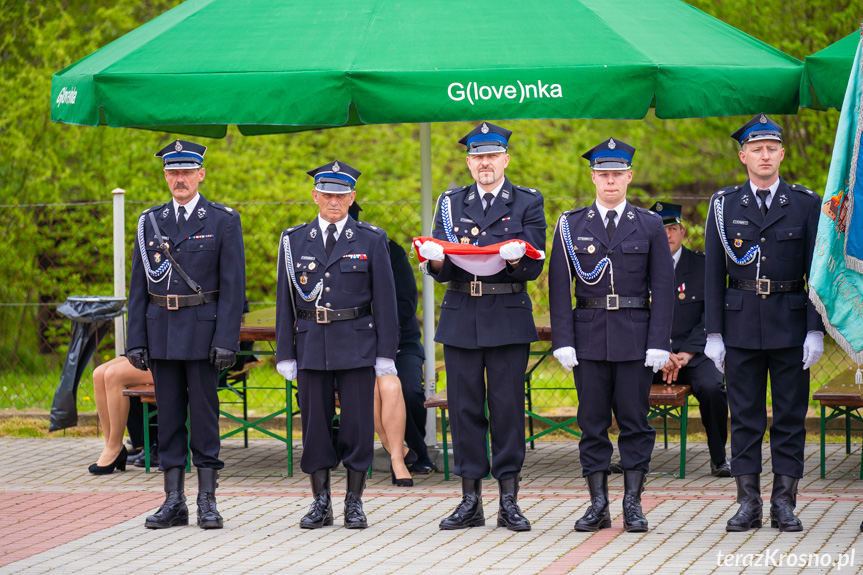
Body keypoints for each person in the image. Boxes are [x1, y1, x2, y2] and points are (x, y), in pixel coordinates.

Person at [418, 121, 546, 532]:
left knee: (507, 409)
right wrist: (434, 258)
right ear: (468, 162)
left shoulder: (527, 201)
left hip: (507, 314)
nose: (484, 163)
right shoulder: (451, 203)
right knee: (464, 409)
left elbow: (534, 266)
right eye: (477, 157)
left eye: (491, 155)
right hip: (460, 313)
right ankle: (470, 499)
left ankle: (509, 499)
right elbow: (441, 268)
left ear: (506, 159)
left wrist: (514, 259)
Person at [704, 114, 824, 533]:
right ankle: (748, 503)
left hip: (791, 323)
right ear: (743, 156)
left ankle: (784, 503)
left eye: (772, 148)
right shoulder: (723, 205)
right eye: (757, 149)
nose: (765, 155)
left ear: (782, 154)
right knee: (747, 417)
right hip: (739, 327)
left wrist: (815, 328)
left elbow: (816, 272)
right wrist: (714, 333)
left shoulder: (807, 203)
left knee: (790, 416)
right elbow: (713, 273)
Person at [548, 138, 673, 533]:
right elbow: (557, 285)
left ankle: (633, 503)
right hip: (588, 336)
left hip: (636, 337)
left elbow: (664, 287)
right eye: (603, 175)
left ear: (630, 177)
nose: (610, 181)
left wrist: (659, 342)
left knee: (636, 421)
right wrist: (562, 339)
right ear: (593, 178)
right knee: (592, 422)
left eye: (617, 174)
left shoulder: (650, 224)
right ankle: (598, 505)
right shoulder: (570, 224)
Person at [126, 139, 246, 530]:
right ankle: (174, 501)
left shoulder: (222, 220)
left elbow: (233, 287)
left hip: (203, 331)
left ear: (201, 174)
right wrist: (135, 339)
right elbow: (139, 287)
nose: (180, 179)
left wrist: (228, 339)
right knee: (170, 417)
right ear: (165, 176)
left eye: (186, 172)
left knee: (206, 418)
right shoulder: (150, 222)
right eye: (173, 172)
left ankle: (208, 500)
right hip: (161, 333)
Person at [276, 161, 398, 530]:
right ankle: (320, 502)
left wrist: (385, 355)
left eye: (341, 195)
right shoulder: (294, 240)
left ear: (352, 197)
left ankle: (355, 503)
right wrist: (285, 352)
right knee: (314, 426)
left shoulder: (371, 239)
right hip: (312, 344)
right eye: (327, 194)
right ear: (315, 196)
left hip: (357, 344)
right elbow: (286, 302)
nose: (334, 201)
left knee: (357, 427)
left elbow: (386, 302)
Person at [642, 202, 731, 477]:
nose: (667, 234)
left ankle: (718, 457)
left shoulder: (702, 265)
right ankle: (634, 457)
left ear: (682, 231)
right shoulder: (637, 266)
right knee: (621, 385)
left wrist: (687, 354)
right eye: (660, 229)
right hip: (652, 354)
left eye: (671, 228)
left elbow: (713, 312)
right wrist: (661, 351)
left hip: (694, 354)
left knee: (713, 388)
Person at [349, 201, 432, 485]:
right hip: (353, 345)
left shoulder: (390, 252)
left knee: (408, 390)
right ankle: (402, 453)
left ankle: (416, 451)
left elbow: (405, 306)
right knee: (363, 392)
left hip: (399, 343)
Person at [89, 356, 154, 474]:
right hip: (146, 352)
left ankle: (114, 448)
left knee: (113, 375)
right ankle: (111, 446)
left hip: (165, 357)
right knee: (98, 374)